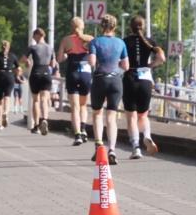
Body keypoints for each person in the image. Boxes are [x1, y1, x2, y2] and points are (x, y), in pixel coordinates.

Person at [87, 14, 129, 165]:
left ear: (101, 26)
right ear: (115, 27)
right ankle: (112, 150)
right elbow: (126, 66)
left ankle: (99, 146)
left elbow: (92, 62)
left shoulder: (95, 42)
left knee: (97, 114)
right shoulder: (121, 43)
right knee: (111, 117)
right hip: (116, 81)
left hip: (100, 79)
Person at [122, 15, 165, 159]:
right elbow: (162, 58)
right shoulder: (150, 42)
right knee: (143, 115)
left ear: (130, 27)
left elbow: (121, 62)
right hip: (145, 80)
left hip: (130, 78)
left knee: (131, 117)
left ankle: (135, 147)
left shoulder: (125, 42)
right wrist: (151, 66)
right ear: (143, 27)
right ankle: (147, 136)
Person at [57, 17, 94, 146]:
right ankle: (83, 129)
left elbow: (59, 58)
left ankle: (77, 134)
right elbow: (95, 56)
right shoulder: (90, 39)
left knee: (75, 107)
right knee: (83, 105)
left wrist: (67, 55)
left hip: (72, 72)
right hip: (86, 73)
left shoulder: (65, 40)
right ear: (82, 26)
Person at [26, 28, 56, 134]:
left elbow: (23, 59)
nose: (33, 39)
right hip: (46, 73)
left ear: (38, 35)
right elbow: (53, 64)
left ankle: (36, 125)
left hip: (36, 73)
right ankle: (45, 119)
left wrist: (27, 62)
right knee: (44, 98)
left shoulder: (32, 48)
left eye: (34, 36)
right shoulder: (50, 48)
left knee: (36, 100)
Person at [0, 40, 18, 130]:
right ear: (9, 47)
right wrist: (16, 74)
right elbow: (18, 67)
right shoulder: (13, 56)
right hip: (9, 76)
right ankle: (6, 112)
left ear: (1, 47)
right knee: (7, 97)